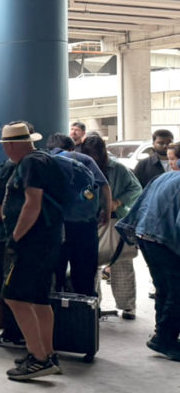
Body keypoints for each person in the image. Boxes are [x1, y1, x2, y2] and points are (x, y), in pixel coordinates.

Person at [0, 121, 65, 380]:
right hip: (48, 240)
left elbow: (32, 204)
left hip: (32, 243)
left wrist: (15, 237)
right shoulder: (44, 159)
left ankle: (38, 358)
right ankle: (47, 353)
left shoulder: (29, 163)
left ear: (11, 144)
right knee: (38, 299)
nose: (4, 150)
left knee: (13, 296)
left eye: (5, 145)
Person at [116, 170, 180, 361]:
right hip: (162, 237)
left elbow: (140, 203)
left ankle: (163, 333)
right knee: (176, 291)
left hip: (146, 233)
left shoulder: (168, 176)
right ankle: (164, 338)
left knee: (165, 288)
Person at [80, 134, 142, 319]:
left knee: (122, 263)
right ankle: (94, 303)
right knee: (91, 264)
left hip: (116, 221)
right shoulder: (81, 167)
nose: (95, 160)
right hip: (92, 221)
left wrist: (118, 202)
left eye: (97, 156)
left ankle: (128, 306)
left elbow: (136, 188)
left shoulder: (118, 168)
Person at [45, 133, 111, 297]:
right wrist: (106, 212)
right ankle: (84, 315)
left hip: (53, 226)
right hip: (84, 226)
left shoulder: (42, 160)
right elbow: (104, 187)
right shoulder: (83, 159)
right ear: (71, 148)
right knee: (85, 275)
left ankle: (56, 315)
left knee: (54, 275)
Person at [0, 155, 26, 349]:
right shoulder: (39, 163)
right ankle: (28, 334)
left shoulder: (11, 165)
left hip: (9, 236)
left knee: (7, 284)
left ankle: (11, 333)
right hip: (33, 238)